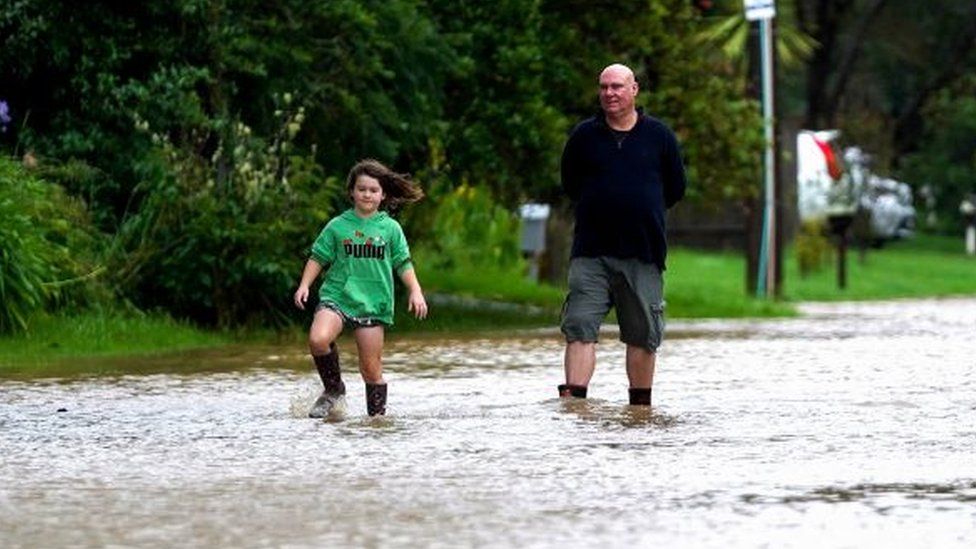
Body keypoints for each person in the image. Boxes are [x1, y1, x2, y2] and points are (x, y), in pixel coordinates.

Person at [558, 63, 686, 407]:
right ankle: (575, 406)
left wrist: (639, 208)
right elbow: (570, 183)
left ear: (634, 90)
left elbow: (675, 188)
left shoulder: (659, 137)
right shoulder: (584, 136)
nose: (609, 93)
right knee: (580, 326)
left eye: (616, 86)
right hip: (591, 251)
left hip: (642, 252)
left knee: (643, 334)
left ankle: (639, 410)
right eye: (603, 87)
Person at [293, 159, 428, 417]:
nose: (367, 194)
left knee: (371, 370)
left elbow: (402, 262)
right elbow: (318, 256)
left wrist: (415, 290)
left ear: (383, 194)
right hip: (338, 296)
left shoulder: (390, 228)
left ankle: (376, 422)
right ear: (352, 192)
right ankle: (333, 390)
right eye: (362, 189)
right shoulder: (337, 226)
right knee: (318, 338)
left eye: (373, 190)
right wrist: (304, 285)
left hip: (373, 303)